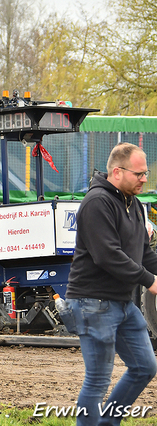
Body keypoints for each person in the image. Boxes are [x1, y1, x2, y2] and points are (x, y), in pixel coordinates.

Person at [64, 143, 157, 426]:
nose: (144, 179)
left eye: (146, 173)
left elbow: (146, 254)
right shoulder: (96, 203)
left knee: (144, 366)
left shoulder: (135, 205)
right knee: (97, 381)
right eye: (139, 173)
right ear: (117, 171)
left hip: (122, 303)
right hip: (92, 303)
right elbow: (107, 255)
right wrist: (150, 281)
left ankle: (106, 422)